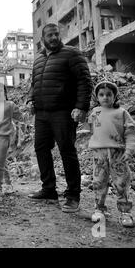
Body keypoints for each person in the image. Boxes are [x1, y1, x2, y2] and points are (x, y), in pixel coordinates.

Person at [28, 23, 93, 213]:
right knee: (41, 148)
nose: (54, 38)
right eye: (50, 35)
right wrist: (30, 101)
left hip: (63, 112)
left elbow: (84, 81)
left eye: (56, 34)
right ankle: (49, 189)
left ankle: (73, 195)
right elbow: (34, 83)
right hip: (42, 114)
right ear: (43, 39)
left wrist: (81, 107)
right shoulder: (38, 59)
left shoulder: (72, 53)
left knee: (67, 151)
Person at [87, 81, 135, 227]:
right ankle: (99, 209)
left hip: (118, 153)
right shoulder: (95, 112)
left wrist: (129, 150)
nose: (105, 97)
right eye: (101, 95)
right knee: (98, 181)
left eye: (109, 94)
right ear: (97, 97)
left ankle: (125, 212)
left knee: (121, 182)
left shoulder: (121, 113)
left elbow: (131, 132)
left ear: (115, 96)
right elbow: (91, 129)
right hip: (99, 153)